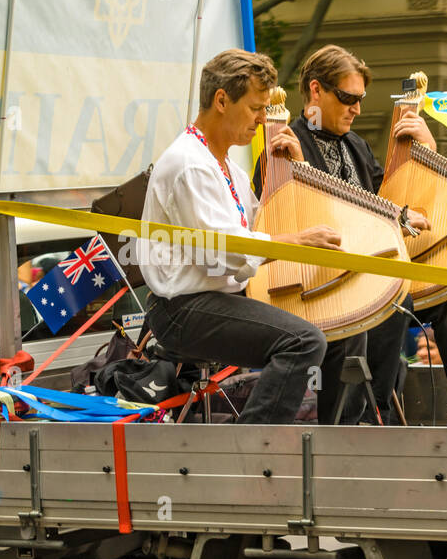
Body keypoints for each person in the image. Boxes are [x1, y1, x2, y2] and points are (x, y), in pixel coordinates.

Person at [140, 49, 342, 425]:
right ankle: (251, 451)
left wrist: (292, 170)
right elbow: (229, 253)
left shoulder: (222, 162)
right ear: (221, 100)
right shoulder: (190, 164)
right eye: (254, 108)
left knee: (337, 327)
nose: (263, 119)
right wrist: (297, 243)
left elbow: (260, 222)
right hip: (184, 310)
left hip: (210, 299)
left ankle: (333, 442)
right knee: (303, 342)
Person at [272, 43, 438, 424]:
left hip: (362, 272)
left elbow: (388, 203)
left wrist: (426, 148)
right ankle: (358, 420)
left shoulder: (358, 146)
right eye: (348, 98)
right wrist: (298, 167)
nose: (357, 109)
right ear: (315, 91)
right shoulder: (283, 141)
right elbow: (281, 216)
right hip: (309, 280)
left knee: (444, 301)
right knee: (394, 302)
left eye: (360, 99)